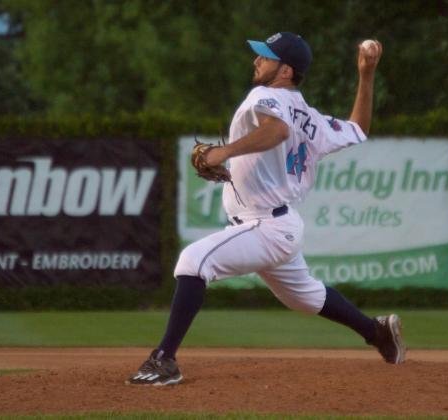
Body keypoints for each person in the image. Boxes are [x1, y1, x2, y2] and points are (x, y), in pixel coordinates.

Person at [127, 32, 405, 386]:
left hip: (266, 225)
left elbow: (276, 131)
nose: (256, 61)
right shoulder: (311, 117)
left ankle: (164, 360)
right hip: (279, 225)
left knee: (194, 262)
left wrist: (223, 152)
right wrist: (366, 75)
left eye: (265, 56)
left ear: (285, 70)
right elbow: (358, 128)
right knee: (306, 297)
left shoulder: (265, 95)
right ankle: (377, 332)